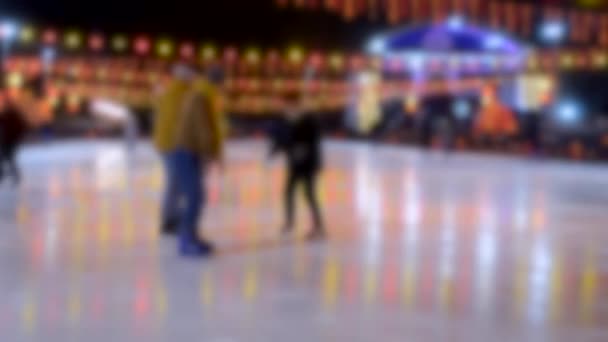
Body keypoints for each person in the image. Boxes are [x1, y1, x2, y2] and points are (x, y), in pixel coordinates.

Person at [172, 69, 226, 257]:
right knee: (195, 196)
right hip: (187, 151)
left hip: (190, 151)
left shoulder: (201, 95)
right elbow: (204, 129)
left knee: (197, 196)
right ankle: (186, 239)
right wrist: (211, 154)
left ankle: (192, 235)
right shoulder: (202, 98)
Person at [270, 92, 325, 240]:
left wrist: (313, 158)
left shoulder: (309, 118)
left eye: (287, 104)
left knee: (309, 194)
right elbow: (282, 138)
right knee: (288, 191)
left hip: (307, 162)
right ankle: (290, 221)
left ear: (294, 103)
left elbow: (314, 141)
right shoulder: (286, 118)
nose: (284, 107)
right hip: (294, 162)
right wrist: (274, 151)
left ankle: (318, 226)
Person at [153, 64, 193, 235]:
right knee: (175, 183)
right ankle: (169, 219)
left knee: (174, 183)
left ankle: (171, 217)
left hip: (165, 143)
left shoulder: (167, 92)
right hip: (175, 144)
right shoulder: (184, 95)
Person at [0, 89, 29, 185]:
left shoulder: (11, 115)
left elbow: (20, 126)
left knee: (7, 157)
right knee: (6, 158)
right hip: (8, 140)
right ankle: (9, 175)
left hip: (9, 140)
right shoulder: (8, 115)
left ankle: (10, 175)